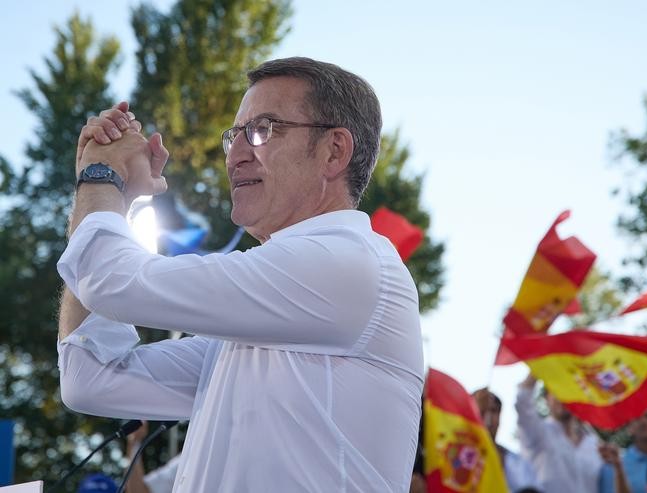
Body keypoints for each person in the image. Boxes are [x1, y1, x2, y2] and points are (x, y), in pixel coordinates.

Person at [56, 57, 424, 492]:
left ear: (334, 151)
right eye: (234, 137)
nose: (236, 155)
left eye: (264, 129)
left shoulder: (348, 263)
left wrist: (101, 177)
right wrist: (111, 196)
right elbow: (88, 378)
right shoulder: (273, 314)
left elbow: (111, 280)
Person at [515, 373, 602, 493]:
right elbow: (523, 402)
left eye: (568, 391)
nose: (562, 397)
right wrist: (537, 361)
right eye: (557, 391)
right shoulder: (538, 432)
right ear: (546, 399)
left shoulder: (594, 444)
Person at [472, 388, 541, 493]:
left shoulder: (517, 462)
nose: (488, 418)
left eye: (493, 411)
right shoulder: (459, 457)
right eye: (482, 411)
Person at [125, 421, 180, 493]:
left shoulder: (187, 462)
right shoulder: (184, 463)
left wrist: (134, 443)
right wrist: (135, 442)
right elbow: (138, 490)